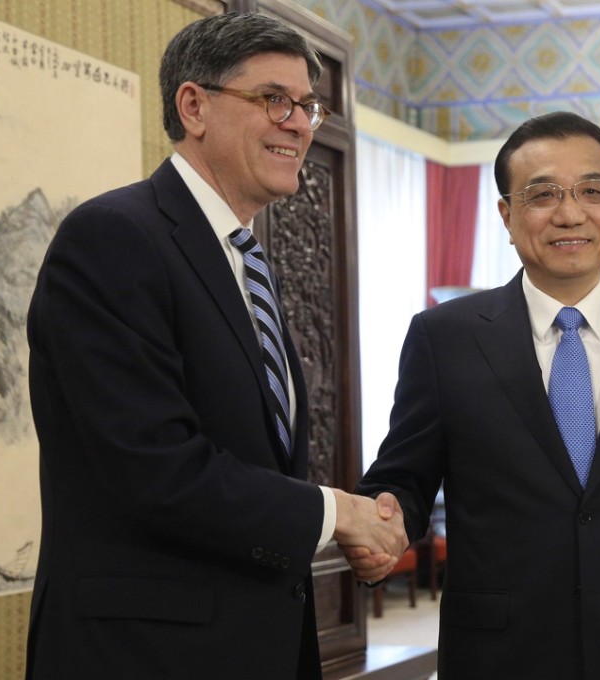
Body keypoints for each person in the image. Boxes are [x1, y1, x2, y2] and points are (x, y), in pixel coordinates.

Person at [24, 13, 407, 680]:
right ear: (194, 106)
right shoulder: (113, 238)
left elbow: (255, 457)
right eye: (273, 100)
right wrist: (335, 513)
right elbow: (156, 471)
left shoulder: (251, 263)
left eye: (307, 106)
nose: (299, 124)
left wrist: (345, 522)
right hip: (145, 655)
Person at [354, 111, 600, 679]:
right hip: (500, 651)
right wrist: (381, 523)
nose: (570, 213)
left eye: (592, 190)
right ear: (507, 215)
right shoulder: (445, 337)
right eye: (543, 195)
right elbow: (406, 475)